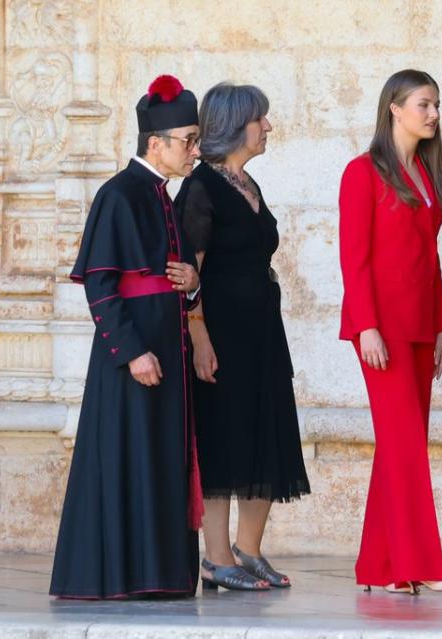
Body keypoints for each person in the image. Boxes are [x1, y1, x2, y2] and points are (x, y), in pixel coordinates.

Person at [50, 75, 204, 599]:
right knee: (128, 456)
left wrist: (191, 285)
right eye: (189, 140)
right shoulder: (117, 194)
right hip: (133, 353)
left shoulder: (165, 196)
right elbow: (100, 284)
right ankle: (124, 575)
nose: (195, 151)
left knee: (161, 458)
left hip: (168, 346)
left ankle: (160, 576)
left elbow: (169, 277)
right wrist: (132, 351)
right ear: (155, 144)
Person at [338, 69, 442, 595]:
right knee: (405, 444)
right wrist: (367, 326)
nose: (434, 113)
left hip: (421, 325)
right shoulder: (361, 172)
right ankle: (424, 567)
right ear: (394, 107)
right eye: (424, 103)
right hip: (381, 329)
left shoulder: (427, 172)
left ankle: (381, 567)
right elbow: (355, 259)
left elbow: (429, 259)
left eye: (437, 104)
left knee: (400, 445)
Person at [177, 82, 311, 593]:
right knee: (223, 439)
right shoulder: (201, 190)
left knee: (266, 432)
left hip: (262, 333)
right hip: (221, 335)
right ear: (236, 125)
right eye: (262, 118)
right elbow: (192, 273)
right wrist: (199, 337)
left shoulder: (247, 185)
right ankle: (214, 558)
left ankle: (249, 550)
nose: (269, 127)